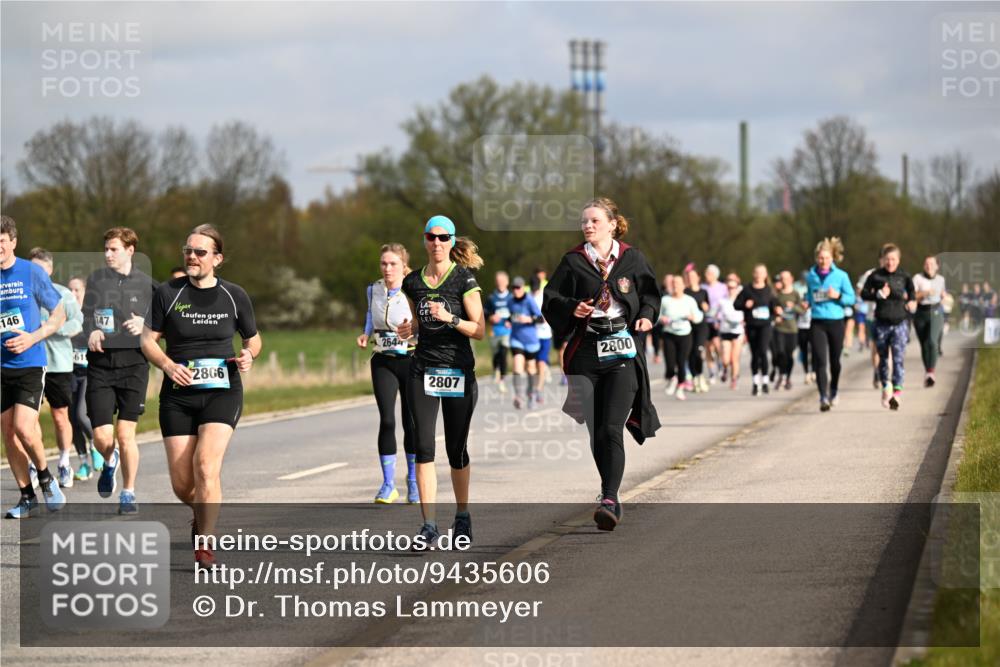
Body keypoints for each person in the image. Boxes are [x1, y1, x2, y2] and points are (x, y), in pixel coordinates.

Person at [140, 224, 261, 566]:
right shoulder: (168, 292)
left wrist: (250, 354)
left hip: (223, 389)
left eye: (200, 252)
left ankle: (205, 544)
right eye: (188, 251)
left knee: (206, 466)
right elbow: (148, 340)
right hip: (178, 392)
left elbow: (253, 338)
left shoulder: (234, 295)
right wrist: (166, 365)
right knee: (182, 484)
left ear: (217, 258)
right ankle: (201, 513)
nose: (192, 257)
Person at [543, 197, 660, 531]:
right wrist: (571, 308)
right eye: (584, 222)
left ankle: (609, 498)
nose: (588, 226)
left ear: (612, 224)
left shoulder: (632, 258)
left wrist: (648, 317)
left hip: (622, 351)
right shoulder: (573, 261)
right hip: (587, 353)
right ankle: (610, 493)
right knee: (596, 430)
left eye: (594, 221)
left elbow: (651, 294)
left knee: (611, 426)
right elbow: (550, 300)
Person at [396, 215, 485, 549]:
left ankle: (462, 516)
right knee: (423, 447)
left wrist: (451, 317)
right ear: (424, 240)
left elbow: (479, 330)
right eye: (430, 237)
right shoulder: (413, 282)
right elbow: (418, 321)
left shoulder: (464, 279)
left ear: (451, 241)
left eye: (442, 237)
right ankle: (429, 526)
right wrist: (410, 329)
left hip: (458, 370)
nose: (436, 243)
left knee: (456, 449)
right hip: (422, 371)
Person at [83, 227, 158, 513]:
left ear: (130, 250)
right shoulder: (96, 280)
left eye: (113, 249)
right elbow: (87, 316)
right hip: (101, 366)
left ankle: (128, 492)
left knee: (126, 435)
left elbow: (162, 326)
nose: (107, 254)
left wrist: (145, 325)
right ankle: (110, 460)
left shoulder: (148, 284)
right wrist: (91, 331)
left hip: (134, 366)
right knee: (102, 437)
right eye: (106, 249)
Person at [1, 216, 68, 518]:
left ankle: (45, 475)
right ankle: (26, 496)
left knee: (23, 428)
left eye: (2, 242)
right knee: (8, 433)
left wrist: (33, 337)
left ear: (13, 242)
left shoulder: (31, 273)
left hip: (29, 363)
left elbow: (59, 315)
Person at [356, 243, 418, 504]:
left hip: (410, 359)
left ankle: (414, 482)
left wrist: (416, 333)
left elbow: (422, 320)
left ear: (404, 266)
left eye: (393, 264)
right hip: (382, 360)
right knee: (387, 420)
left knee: (410, 422)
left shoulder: (414, 289)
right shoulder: (374, 289)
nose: (388, 268)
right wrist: (366, 333)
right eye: (384, 263)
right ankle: (388, 484)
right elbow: (371, 314)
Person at [29, 248, 84, 488]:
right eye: (32, 269)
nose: (36, 274)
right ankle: (34, 463)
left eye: (40, 269)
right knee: (29, 420)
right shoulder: (24, 294)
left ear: (50, 270)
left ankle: (63, 462)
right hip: (30, 364)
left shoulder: (63, 294)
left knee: (60, 417)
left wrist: (52, 327)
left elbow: (77, 322)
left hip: (58, 365)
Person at [862, 243, 917, 410]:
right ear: (883, 260)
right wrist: (877, 295)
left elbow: (912, 293)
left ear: (898, 260)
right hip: (882, 323)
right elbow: (864, 293)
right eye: (887, 259)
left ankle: (897, 394)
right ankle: (886, 386)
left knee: (899, 358)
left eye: (893, 259)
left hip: (900, 322)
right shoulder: (875, 276)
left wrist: (912, 302)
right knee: (884, 358)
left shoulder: (905, 276)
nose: (890, 262)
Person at [806, 237, 856, 411]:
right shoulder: (810, 276)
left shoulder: (841, 276)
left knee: (835, 362)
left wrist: (838, 296)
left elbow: (852, 298)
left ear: (832, 258)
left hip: (836, 322)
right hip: (817, 322)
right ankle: (823, 397)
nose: (823, 261)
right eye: (820, 258)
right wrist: (806, 302)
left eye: (826, 258)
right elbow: (809, 295)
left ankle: (834, 388)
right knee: (820, 360)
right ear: (816, 258)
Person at [68, 276, 101, 480]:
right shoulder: (64, 314)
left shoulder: (91, 314)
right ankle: (83, 464)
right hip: (69, 372)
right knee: (71, 420)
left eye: (77, 290)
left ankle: (96, 446)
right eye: (70, 290)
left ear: (85, 292)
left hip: (89, 371)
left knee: (82, 415)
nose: (73, 294)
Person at [734, 264, 779, 396]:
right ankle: (755, 382)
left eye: (762, 273)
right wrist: (745, 305)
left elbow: (775, 305)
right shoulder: (747, 290)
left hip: (765, 325)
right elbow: (736, 304)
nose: (759, 275)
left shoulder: (769, 290)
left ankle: (765, 380)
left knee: (763, 351)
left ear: (765, 275)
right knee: (755, 354)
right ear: (753, 274)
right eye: (757, 272)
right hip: (752, 325)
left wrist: (777, 310)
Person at [660, 274, 703, 401]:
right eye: (673, 283)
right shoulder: (665, 300)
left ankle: (680, 387)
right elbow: (657, 316)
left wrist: (692, 317)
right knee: (669, 362)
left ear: (684, 285)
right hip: (669, 334)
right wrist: (662, 319)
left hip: (685, 335)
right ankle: (672, 378)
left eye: (678, 283)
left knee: (681, 361)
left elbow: (699, 316)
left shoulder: (689, 300)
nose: (676, 286)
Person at [508, 276, 543, 409]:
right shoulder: (510, 301)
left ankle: (531, 394)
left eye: (518, 288)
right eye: (514, 288)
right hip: (516, 339)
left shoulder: (529, 300)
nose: (515, 290)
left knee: (531, 369)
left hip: (531, 341)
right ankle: (518, 396)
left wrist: (529, 319)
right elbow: (510, 316)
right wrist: (508, 320)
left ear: (523, 288)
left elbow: (540, 319)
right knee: (517, 366)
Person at [913, 255, 946, 387]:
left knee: (932, 341)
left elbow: (943, 294)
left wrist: (944, 296)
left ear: (937, 266)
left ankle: (932, 371)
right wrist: (924, 293)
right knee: (924, 345)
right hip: (921, 312)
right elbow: (912, 296)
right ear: (923, 266)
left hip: (936, 312)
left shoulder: (941, 279)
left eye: (932, 264)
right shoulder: (917, 278)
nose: (929, 266)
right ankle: (928, 372)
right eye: (926, 264)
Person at [715, 273, 746, 389]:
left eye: (733, 287)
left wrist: (745, 321)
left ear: (737, 287)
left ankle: (734, 380)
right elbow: (715, 314)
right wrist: (716, 321)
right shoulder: (722, 301)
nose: (731, 289)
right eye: (729, 287)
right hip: (725, 331)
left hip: (738, 332)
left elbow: (747, 313)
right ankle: (724, 369)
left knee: (734, 358)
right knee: (726, 359)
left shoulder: (741, 300)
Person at [774, 270, 803, 390]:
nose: (784, 280)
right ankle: (782, 375)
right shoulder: (777, 294)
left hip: (792, 329)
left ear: (791, 279)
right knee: (780, 353)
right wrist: (776, 314)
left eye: (786, 278)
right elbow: (772, 308)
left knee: (789, 355)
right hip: (780, 328)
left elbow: (802, 311)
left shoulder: (796, 294)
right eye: (782, 278)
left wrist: (794, 307)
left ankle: (787, 378)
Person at [483, 271, 512, 393]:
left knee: (504, 353)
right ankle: (496, 369)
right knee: (496, 354)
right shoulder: (491, 298)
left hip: (507, 331)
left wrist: (510, 320)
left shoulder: (512, 297)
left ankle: (502, 380)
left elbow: (517, 312)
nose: (500, 284)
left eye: (502, 281)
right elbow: (484, 312)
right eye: (498, 282)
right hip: (494, 331)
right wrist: (490, 317)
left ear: (507, 282)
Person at [684, 267, 711, 393]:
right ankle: (695, 378)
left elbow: (707, 307)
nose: (691, 278)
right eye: (689, 277)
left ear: (698, 278)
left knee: (698, 351)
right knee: (690, 353)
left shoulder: (703, 292)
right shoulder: (685, 292)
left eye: (693, 276)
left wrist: (706, 307)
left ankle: (700, 376)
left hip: (701, 326)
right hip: (688, 326)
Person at [702, 264, 728, 384]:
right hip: (706, 320)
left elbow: (726, 304)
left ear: (715, 275)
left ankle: (721, 364)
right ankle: (712, 372)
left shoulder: (723, 287)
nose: (706, 276)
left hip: (718, 320)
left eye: (709, 273)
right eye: (706, 273)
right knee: (708, 347)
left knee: (717, 345)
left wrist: (720, 318)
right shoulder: (703, 287)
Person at [530, 270, 553, 404]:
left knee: (541, 363)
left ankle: (538, 389)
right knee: (532, 365)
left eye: (535, 288)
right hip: (531, 336)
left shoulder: (545, 296)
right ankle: (533, 388)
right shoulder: (527, 297)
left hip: (544, 335)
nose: (534, 291)